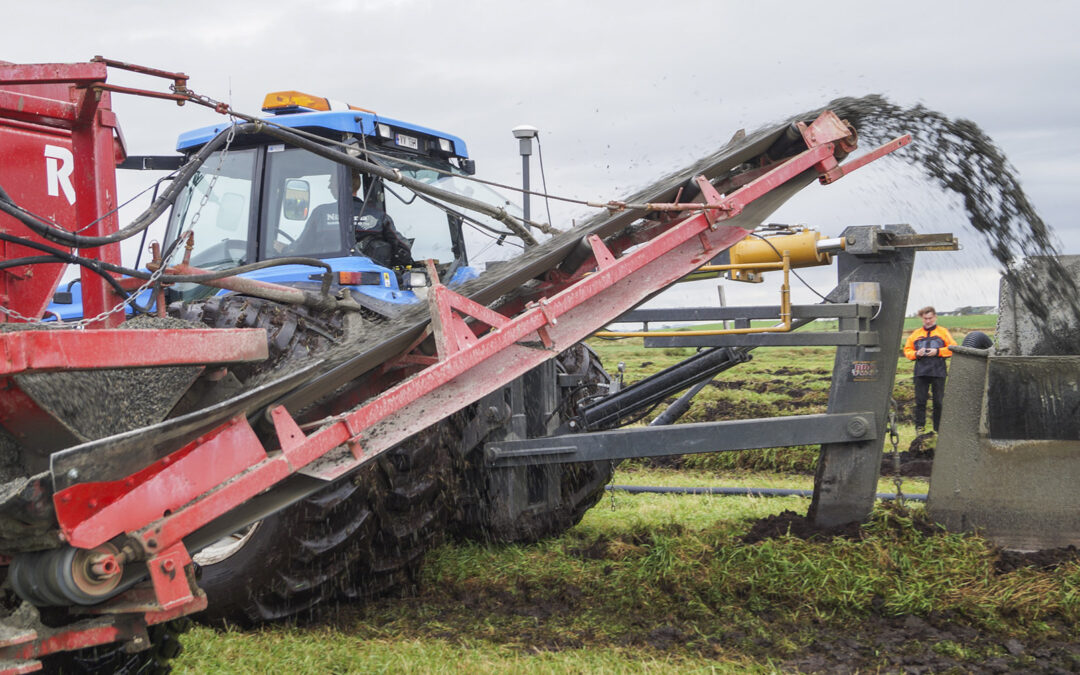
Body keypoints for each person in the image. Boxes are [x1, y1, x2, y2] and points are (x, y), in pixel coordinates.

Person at [296, 170, 412, 268]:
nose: (329, 186)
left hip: (327, 275)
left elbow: (301, 247)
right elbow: (403, 246)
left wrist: (284, 249)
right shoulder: (379, 216)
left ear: (341, 184)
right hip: (372, 277)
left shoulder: (320, 213)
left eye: (331, 182)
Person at [903, 306, 957, 435]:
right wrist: (917, 353)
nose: (928, 321)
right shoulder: (915, 334)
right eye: (926, 318)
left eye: (930, 318)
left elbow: (954, 348)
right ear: (922, 318)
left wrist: (938, 351)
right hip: (921, 373)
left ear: (935, 317)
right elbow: (907, 351)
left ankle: (938, 430)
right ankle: (919, 429)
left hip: (938, 372)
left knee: (938, 402)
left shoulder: (943, 332)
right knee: (920, 401)